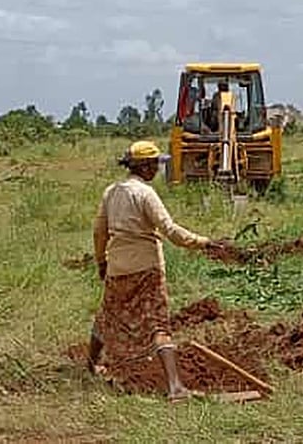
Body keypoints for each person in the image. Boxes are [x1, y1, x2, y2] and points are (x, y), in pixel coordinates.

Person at [88, 140, 225, 401]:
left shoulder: (111, 192)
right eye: (154, 165)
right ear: (145, 167)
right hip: (146, 268)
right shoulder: (145, 194)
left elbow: (99, 231)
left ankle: (91, 366)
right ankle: (175, 387)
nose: (157, 170)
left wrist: (102, 263)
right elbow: (170, 230)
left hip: (118, 267)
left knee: (107, 315)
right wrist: (204, 242)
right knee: (159, 324)